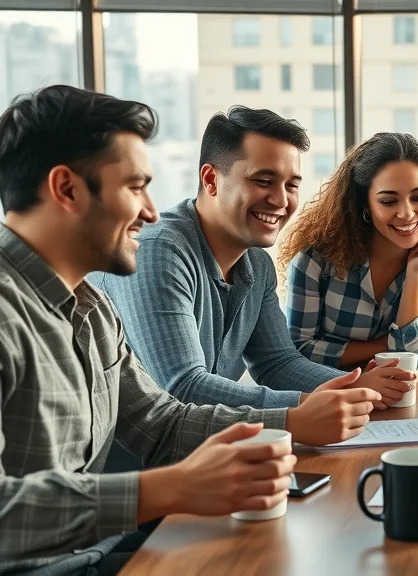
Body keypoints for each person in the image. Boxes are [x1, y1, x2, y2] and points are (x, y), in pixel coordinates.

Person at [0, 86, 380, 575]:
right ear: (67, 189)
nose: (150, 210)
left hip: (98, 553)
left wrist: (294, 419)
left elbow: (161, 423)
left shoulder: (90, 307)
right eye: (134, 187)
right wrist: (172, 487)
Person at [93, 107, 413, 421]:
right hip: (142, 466)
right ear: (210, 179)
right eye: (263, 181)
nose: (280, 200)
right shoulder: (157, 252)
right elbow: (182, 386)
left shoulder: (257, 266)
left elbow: (276, 363)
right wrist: (309, 406)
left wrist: (355, 386)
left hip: (213, 454)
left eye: (291, 185)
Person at [278, 132, 418, 371]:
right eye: (389, 202)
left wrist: (414, 273)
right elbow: (299, 351)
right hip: (328, 393)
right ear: (365, 206)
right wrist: (390, 346)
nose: (407, 214)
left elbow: (414, 356)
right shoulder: (315, 259)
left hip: (398, 394)